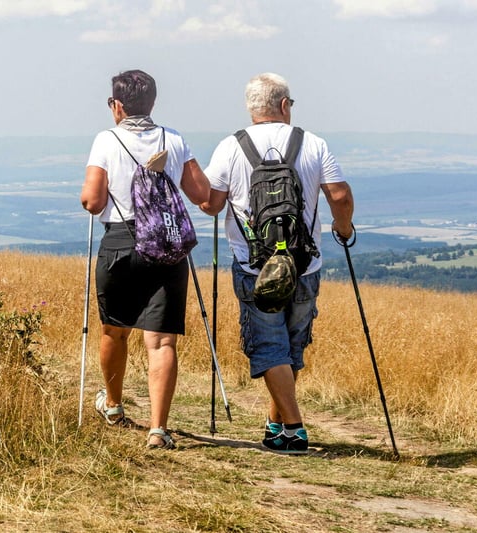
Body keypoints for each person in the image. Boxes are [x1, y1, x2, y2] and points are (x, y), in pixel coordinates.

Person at [200, 73, 354, 455]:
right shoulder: (313, 143)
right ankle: (279, 426)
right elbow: (340, 194)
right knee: (291, 348)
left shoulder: (231, 146)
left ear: (251, 108)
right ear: (284, 105)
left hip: (255, 267)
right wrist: (343, 227)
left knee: (271, 348)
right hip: (305, 265)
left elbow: (211, 204)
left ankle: (292, 428)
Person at [80, 70, 210, 449]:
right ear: (152, 103)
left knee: (114, 330)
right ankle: (158, 429)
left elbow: (93, 201)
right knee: (162, 342)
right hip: (167, 245)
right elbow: (200, 192)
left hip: (121, 242)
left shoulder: (106, 140)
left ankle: (115, 405)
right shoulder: (175, 139)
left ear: (116, 105)